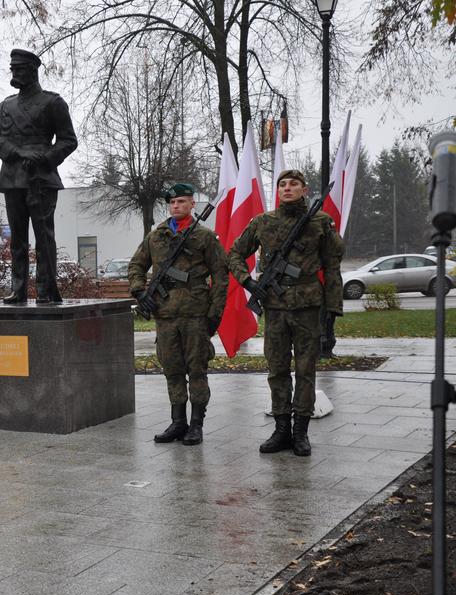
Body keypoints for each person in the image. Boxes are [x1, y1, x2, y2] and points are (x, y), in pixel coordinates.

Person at [228, 169, 344, 457]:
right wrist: (249, 281)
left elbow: (332, 267)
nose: (287, 188)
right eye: (282, 185)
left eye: (294, 184)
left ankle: (301, 432)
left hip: (307, 306)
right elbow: (234, 253)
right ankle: (281, 430)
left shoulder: (320, 222)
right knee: (277, 369)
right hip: (275, 307)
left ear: (304, 190)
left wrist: (332, 310)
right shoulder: (263, 222)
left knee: (306, 370)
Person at [128, 183, 228, 446]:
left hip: (195, 314)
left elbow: (220, 277)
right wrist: (140, 293)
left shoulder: (205, 237)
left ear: (192, 204)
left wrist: (214, 314)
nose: (176, 206)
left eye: (182, 202)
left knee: (196, 370)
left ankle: (196, 425)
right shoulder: (156, 236)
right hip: (165, 314)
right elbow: (137, 264)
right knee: (171, 369)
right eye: (173, 203)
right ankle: (178, 422)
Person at [0, 48, 77, 305]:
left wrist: (46, 158)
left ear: (33, 71)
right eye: (13, 69)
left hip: (40, 178)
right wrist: (14, 152)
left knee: (44, 237)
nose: (14, 73)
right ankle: (18, 288)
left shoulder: (53, 102)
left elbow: (68, 140)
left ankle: (46, 290)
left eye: (19, 69)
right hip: (13, 178)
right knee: (18, 239)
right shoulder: (5, 106)